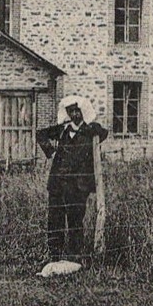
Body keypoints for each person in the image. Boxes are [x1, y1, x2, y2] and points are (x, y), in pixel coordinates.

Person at [36, 94, 110, 263]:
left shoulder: (90, 131)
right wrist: (50, 151)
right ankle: (54, 256)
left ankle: (74, 257)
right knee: (55, 220)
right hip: (57, 185)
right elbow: (40, 134)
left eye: (77, 110)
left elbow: (104, 133)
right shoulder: (62, 130)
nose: (74, 115)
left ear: (84, 111)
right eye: (71, 111)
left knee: (76, 221)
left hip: (78, 187)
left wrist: (92, 126)